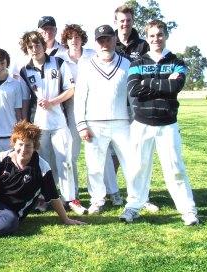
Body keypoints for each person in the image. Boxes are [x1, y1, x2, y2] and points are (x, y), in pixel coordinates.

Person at [120, 20, 198, 225]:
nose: (156, 39)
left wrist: (148, 82)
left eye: (160, 34)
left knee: (175, 168)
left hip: (167, 124)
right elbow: (134, 90)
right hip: (142, 123)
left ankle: (188, 210)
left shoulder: (177, 62)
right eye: (152, 35)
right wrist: (164, 84)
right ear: (147, 37)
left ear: (166, 35)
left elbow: (177, 86)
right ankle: (133, 206)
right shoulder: (137, 63)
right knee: (137, 167)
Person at [74, 25, 135, 214]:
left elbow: (132, 96)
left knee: (131, 163)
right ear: (96, 42)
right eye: (101, 40)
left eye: (108, 39)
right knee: (95, 166)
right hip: (94, 124)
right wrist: (82, 125)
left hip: (122, 122)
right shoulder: (85, 65)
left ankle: (136, 199)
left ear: (115, 40)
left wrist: (135, 121)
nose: (104, 44)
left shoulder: (126, 64)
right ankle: (97, 200)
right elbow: (80, 97)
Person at [19, 31, 81, 214]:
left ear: (43, 45)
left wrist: (53, 102)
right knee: (43, 165)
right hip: (39, 125)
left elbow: (71, 89)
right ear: (26, 49)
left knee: (65, 161)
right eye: (30, 46)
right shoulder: (25, 70)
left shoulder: (58, 62)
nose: (34, 49)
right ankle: (45, 198)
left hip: (59, 122)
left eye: (37, 45)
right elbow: (24, 100)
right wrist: (24, 124)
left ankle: (71, 199)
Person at [114, 4, 158, 213]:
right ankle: (111, 193)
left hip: (137, 105)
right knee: (113, 152)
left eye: (128, 20)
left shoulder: (142, 45)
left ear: (133, 21)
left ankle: (142, 196)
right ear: (116, 22)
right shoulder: (109, 42)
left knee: (139, 151)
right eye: (121, 20)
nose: (125, 24)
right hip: (114, 106)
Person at [58, 24, 96, 214]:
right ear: (65, 40)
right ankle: (73, 194)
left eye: (78, 36)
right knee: (71, 154)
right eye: (70, 37)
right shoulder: (60, 59)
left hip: (94, 107)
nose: (74, 40)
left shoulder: (92, 55)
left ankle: (100, 194)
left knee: (96, 153)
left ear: (82, 39)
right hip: (71, 109)